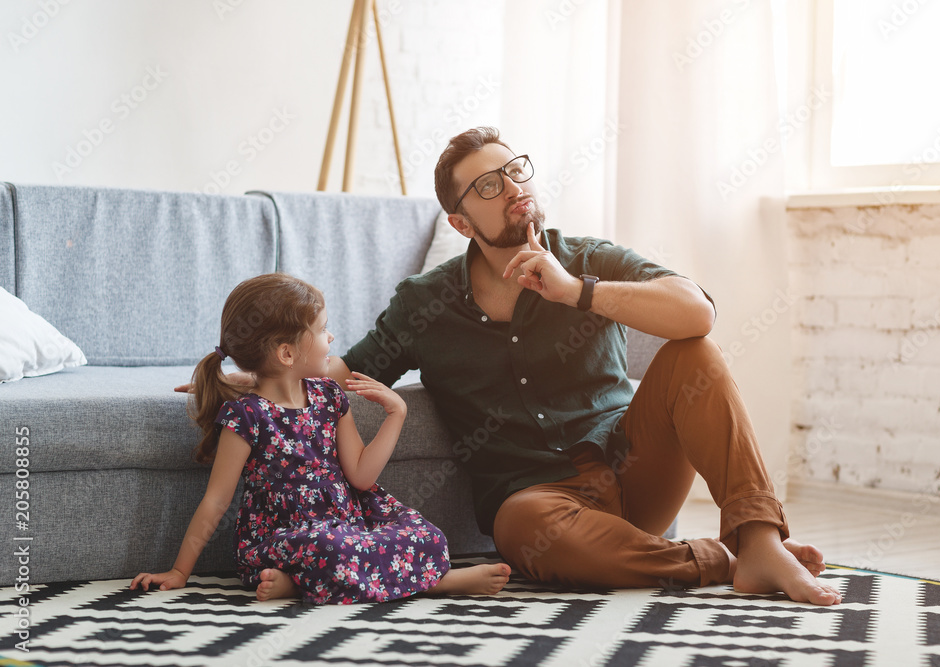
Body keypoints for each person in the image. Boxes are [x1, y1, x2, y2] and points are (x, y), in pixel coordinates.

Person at [324, 127, 842, 606]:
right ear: (459, 223)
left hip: (631, 469)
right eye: (487, 185)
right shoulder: (424, 304)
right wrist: (258, 378)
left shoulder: (586, 259)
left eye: (515, 170)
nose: (511, 187)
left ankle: (760, 541)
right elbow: (347, 373)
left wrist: (576, 292)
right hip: (538, 503)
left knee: (695, 353)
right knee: (522, 525)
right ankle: (726, 560)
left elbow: (696, 312)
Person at [134, 273, 510, 604]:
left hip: (349, 526)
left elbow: (362, 476)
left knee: (427, 537)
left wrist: (397, 415)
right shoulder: (247, 417)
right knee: (331, 551)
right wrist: (180, 571)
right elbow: (215, 502)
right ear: (286, 353)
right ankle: (434, 585)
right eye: (321, 329)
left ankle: (300, 585)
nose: (331, 337)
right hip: (284, 537)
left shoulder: (329, 396)